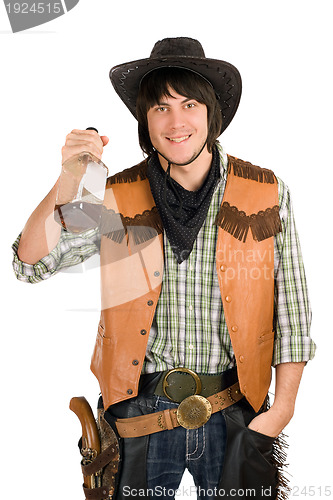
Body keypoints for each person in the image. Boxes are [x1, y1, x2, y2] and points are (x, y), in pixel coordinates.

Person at [12, 37, 316, 500]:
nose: (176, 122)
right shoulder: (113, 196)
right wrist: (68, 179)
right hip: (138, 416)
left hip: (236, 410)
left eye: (189, 104)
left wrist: (282, 411)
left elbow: (292, 312)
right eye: (160, 108)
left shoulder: (266, 192)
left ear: (210, 114)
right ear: (145, 122)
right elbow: (30, 263)